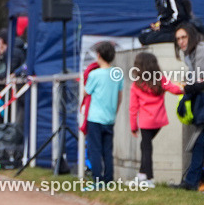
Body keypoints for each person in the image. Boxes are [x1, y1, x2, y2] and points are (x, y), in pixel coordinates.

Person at [129, 51, 181, 187]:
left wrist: (133, 127)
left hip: (146, 123)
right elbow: (175, 89)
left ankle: (149, 178)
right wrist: (185, 88)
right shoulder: (160, 80)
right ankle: (141, 174)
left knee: (147, 148)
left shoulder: (136, 85)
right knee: (144, 145)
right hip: (159, 122)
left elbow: (133, 109)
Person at [84, 41, 123, 183]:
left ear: (99, 55)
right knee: (107, 150)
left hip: (94, 117)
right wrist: (115, 112)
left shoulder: (95, 75)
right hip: (110, 117)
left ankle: (97, 178)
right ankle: (109, 178)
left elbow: (86, 92)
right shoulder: (117, 73)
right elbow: (120, 96)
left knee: (95, 149)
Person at [175, 25, 204, 190]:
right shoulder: (190, 55)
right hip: (200, 102)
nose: (181, 41)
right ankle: (192, 181)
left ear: (191, 36)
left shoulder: (200, 50)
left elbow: (199, 82)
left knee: (199, 142)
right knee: (199, 143)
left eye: (183, 37)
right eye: (178, 38)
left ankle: (192, 182)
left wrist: (186, 88)